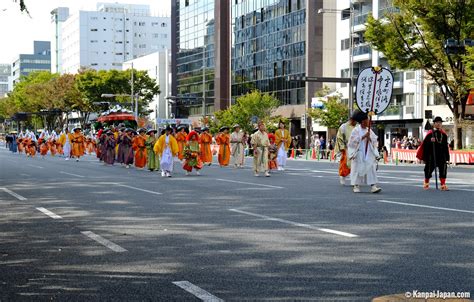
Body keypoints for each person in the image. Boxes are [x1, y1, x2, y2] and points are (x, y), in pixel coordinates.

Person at [347, 112, 382, 193]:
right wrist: (363, 137)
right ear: (363, 121)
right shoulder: (356, 130)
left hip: (368, 152)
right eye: (367, 120)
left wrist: (369, 138)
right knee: (358, 169)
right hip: (359, 152)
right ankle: (356, 185)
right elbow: (351, 142)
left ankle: (373, 186)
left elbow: (374, 140)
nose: (368, 121)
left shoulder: (369, 130)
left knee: (371, 168)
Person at [418, 116, 450, 191]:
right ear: (434, 124)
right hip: (432, 155)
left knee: (443, 169)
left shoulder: (444, 135)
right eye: (437, 123)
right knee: (428, 169)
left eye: (440, 123)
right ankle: (426, 183)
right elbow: (425, 145)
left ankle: (443, 185)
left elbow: (446, 146)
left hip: (442, 155)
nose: (439, 124)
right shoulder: (430, 134)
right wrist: (430, 141)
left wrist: (447, 157)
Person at [334, 112, 357, 185]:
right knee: (345, 163)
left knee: (355, 164)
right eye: (354, 120)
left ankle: (354, 179)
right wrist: (342, 147)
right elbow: (339, 137)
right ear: (351, 119)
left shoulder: (357, 127)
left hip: (356, 147)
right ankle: (342, 176)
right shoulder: (343, 127)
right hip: (346, 147)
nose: (355, 122)